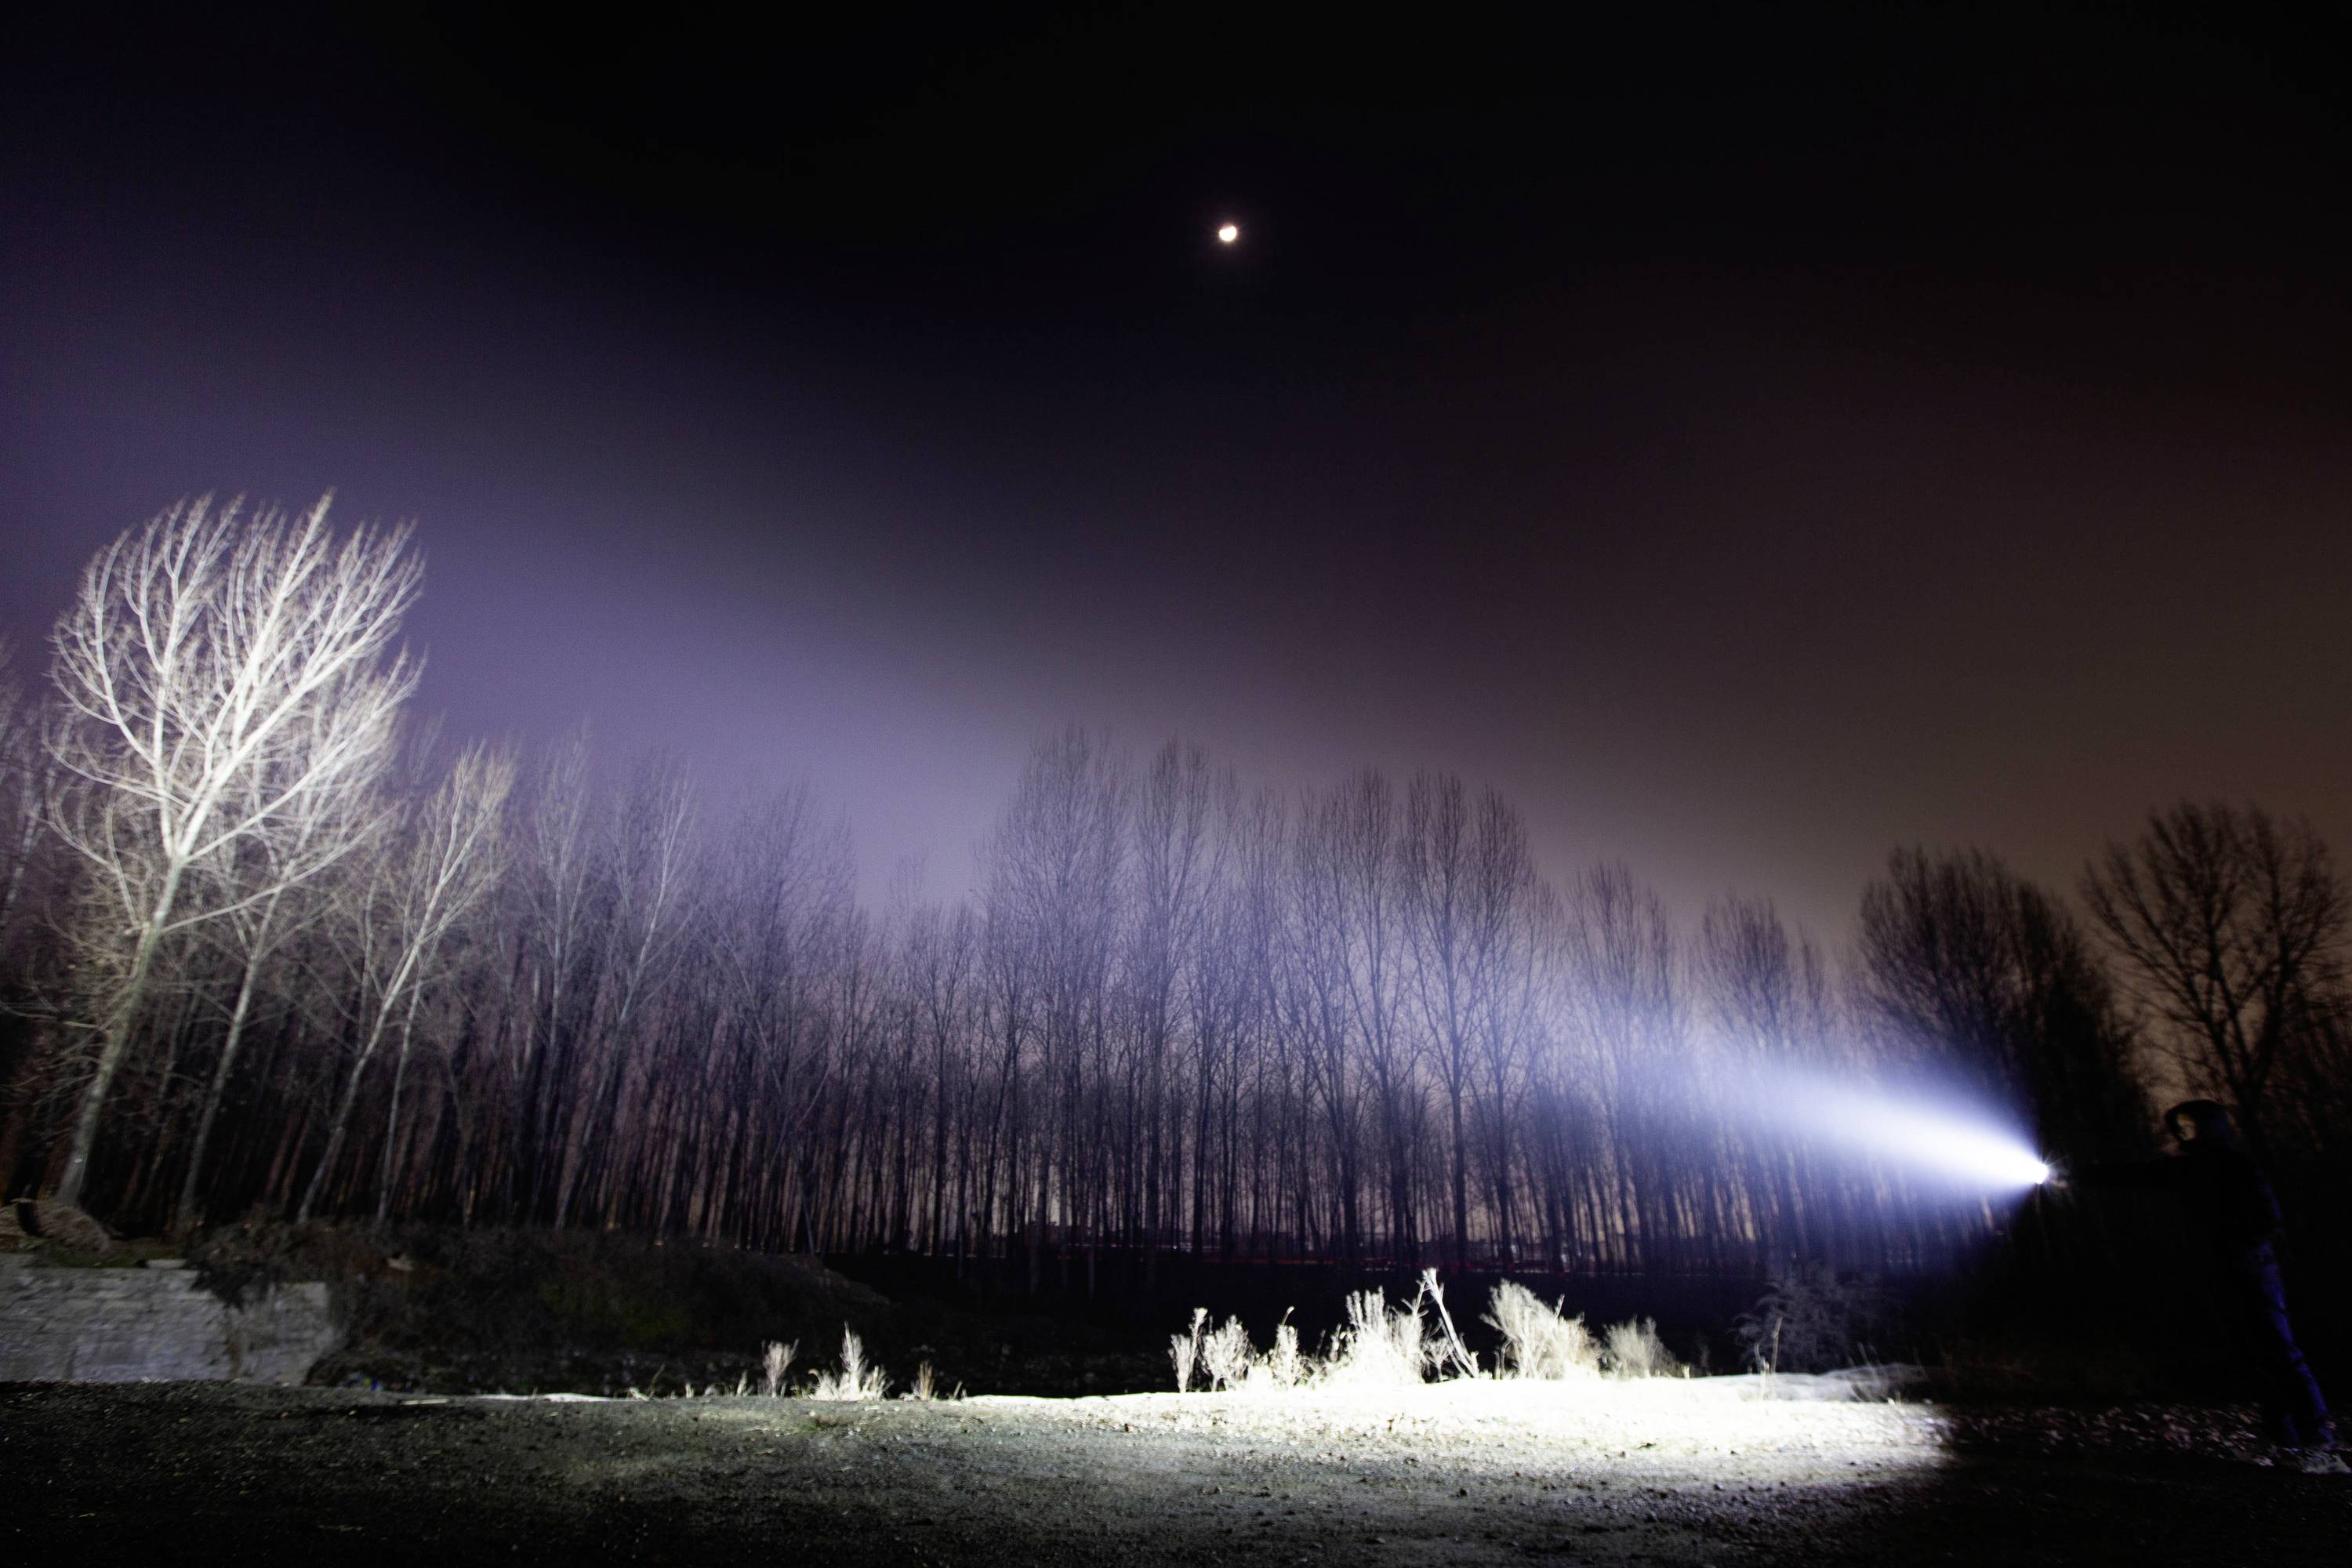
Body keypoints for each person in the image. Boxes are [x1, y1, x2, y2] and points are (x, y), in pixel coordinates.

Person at [2074, 1100, 2336, 1465]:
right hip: (2228, 1270)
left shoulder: (2235, 1167)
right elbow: (2135, 1175)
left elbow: (2268, 1218)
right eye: (2179, 1126)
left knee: (2279, 1349)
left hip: (2253, 1269)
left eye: (2189, 1125)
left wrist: (2240, 1245)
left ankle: (2317, 1435)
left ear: (2209, 1127)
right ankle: (2283, 1438)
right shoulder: (2190, 1169)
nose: (2183, 1132)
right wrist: (2075, 1175)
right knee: (2256, 1355)